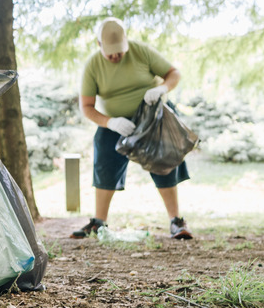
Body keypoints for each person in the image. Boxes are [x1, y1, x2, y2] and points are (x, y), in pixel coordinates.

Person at [71, 17, 193, 240]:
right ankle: (99, 222)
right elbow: (87, 107)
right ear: (100, 45)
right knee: (104, 159)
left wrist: (162, 89)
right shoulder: (93, 65)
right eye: (111, 53)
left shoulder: (141, 51)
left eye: (120, 51)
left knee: (164, 162)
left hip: (151, 117)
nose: (116, 56)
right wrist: (111, 122)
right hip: (115, 122)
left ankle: (176, 220)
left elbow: (173, 73)